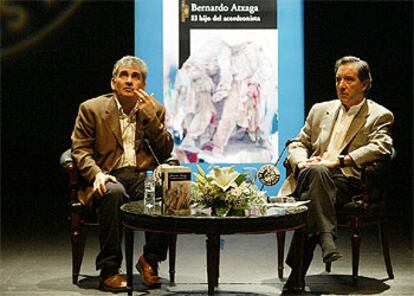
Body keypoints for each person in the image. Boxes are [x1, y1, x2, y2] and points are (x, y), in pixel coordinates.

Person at [279, 56, 394, 294]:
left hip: (346, 182)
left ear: (364, 84)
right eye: (338, 79)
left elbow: (382, 147)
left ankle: (297, 276)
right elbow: (297, 144)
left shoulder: (379, 115)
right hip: (310, 175)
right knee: (316, 173)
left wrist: (339, 160)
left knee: (315, 188)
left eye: (349, 79)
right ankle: (327, 239)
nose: (341, 85)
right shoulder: (320, 110)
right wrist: (301, 163)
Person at [71, 55, 173, 292]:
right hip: (108, 176)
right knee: (113, 192)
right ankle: (109, 270)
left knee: (164, 191)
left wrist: (150, 119)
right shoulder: (91, 109)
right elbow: (80, 150)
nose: (129, 81)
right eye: (124, 76)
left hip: (140, 177)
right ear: (113, 83)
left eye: (135, 76)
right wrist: (96, 173)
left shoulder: (155, 109)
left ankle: (150, 260)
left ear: (143, 85)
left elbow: (165, 149)